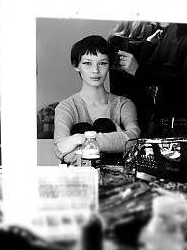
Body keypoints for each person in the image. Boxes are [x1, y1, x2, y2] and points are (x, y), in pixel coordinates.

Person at [117, 23, 187, 156]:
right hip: (159, 122)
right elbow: (153, 70)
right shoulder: (172, 28)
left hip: (185, 125)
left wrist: (139, 71)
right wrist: (148, 47)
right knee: (148, 175)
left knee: (173, 175)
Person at [54, 35, 140, 164]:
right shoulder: (66, 107)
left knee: (104, 124)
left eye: (102, 63)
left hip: (116, 179)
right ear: (76, 65)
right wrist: (116, 142)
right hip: (79, 179)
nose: (95, 70)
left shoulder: (123, 104)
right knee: (80, 127)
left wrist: (80, 139)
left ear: (109, 65)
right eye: (87, 63)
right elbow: (61, 150)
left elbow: (133, 140)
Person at [107, 21, 162, 134]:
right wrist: (148, 46)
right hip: (128, 111)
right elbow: (133, 81)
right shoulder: (118, 43)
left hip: (148, 112)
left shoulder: (153, 43)